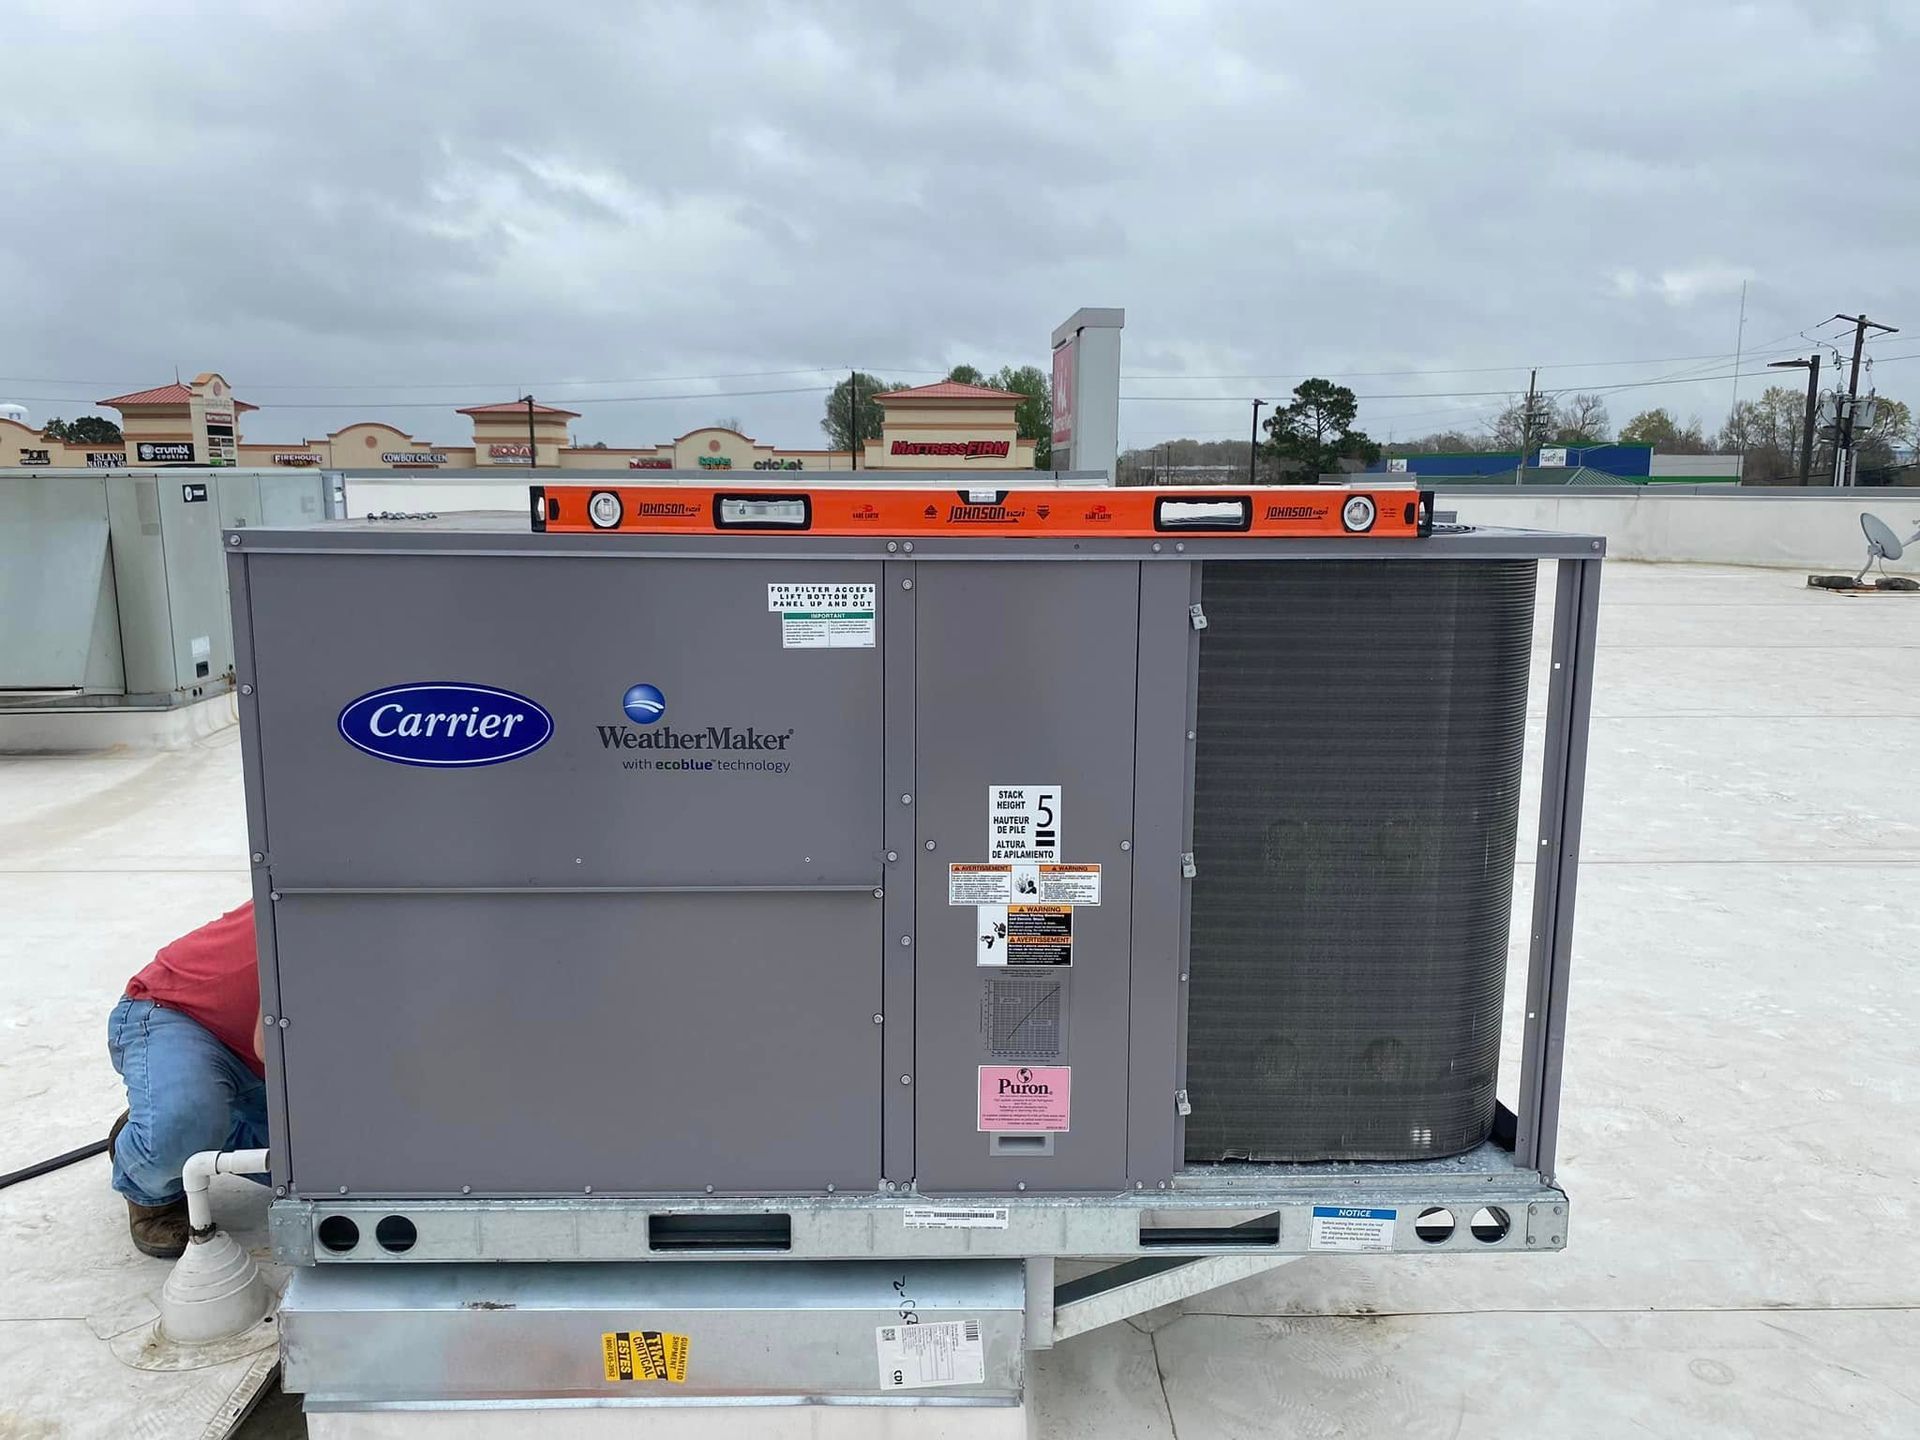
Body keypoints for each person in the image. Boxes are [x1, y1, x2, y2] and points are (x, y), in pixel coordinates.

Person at [106, 901, 268, 1259]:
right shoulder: (330, 900)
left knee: (337, 1176)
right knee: (182, 1124)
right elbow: (270, 1043)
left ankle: (208, 1119)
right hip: (180, 1014)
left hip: (268, 1067)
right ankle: (154, 1188)